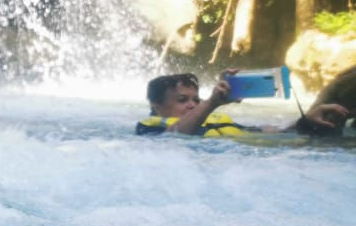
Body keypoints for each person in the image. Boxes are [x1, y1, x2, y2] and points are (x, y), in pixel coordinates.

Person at [136, 71, 350, 136]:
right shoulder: (148, 128)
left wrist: (306, 122)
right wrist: (211, 103)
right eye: (182, 100)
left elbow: (274, 133)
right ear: (157, 105)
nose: (192, 105)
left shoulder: (215, 122)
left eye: (195, 99)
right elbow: (176, 135)